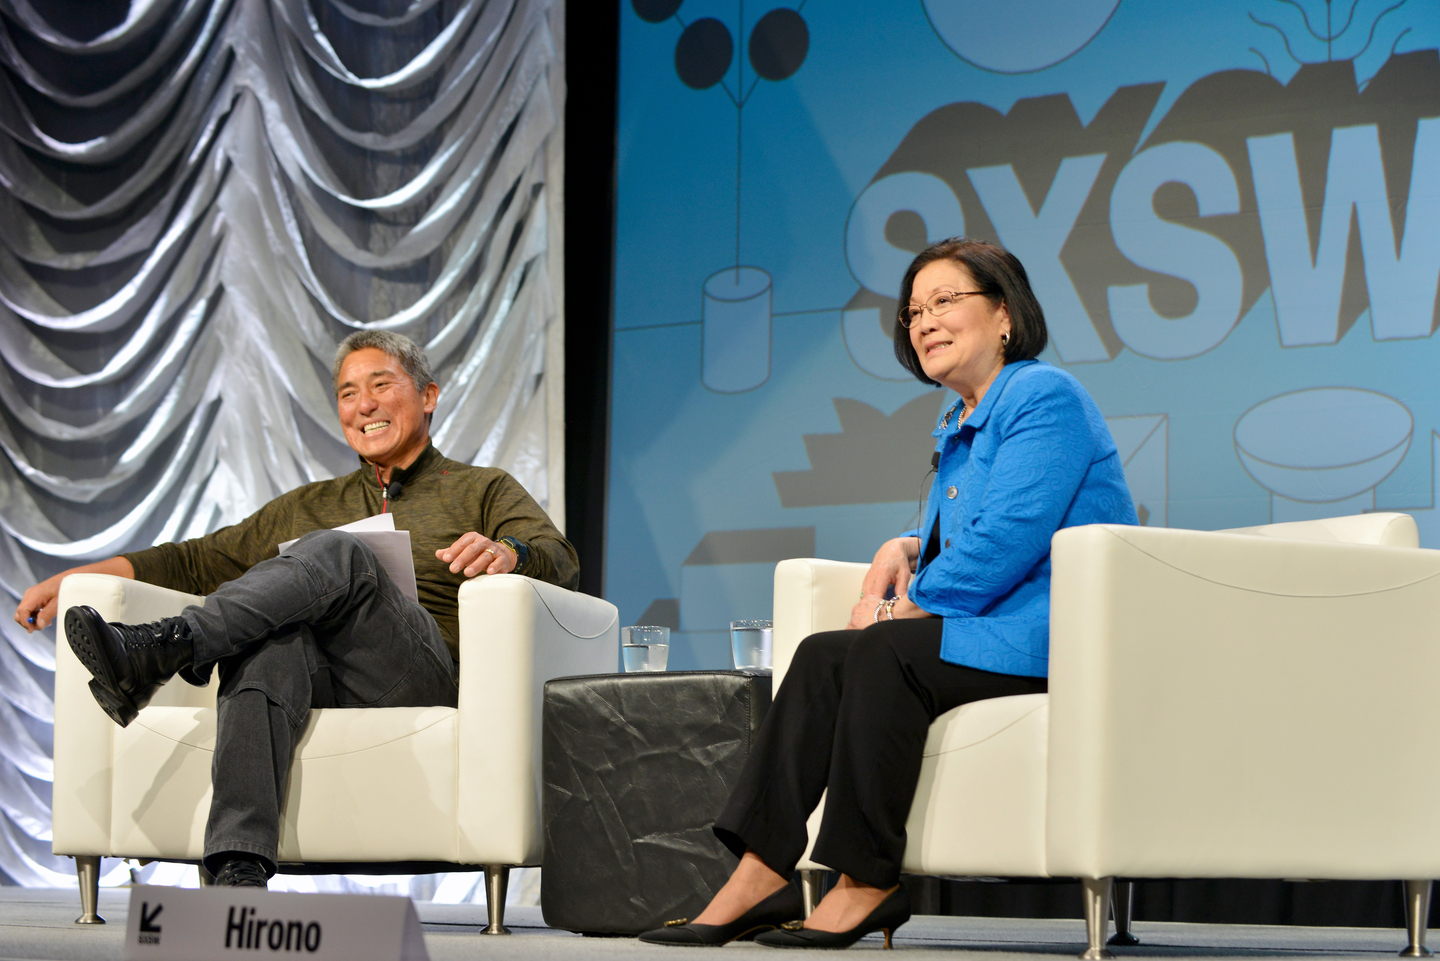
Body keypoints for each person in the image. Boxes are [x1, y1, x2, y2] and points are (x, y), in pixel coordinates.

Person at [640, 239, 1137, 949]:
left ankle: (868, 878)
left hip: (1050, 635)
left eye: (944, 302)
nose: (924, 321)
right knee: (820, 657)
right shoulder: (960, 420)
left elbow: (1004, 540)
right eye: (913, 311)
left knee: (883, 650)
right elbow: (968, 529)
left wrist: (900, 606)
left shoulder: (1041, 394)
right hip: (986, 633)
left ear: (1004, 313)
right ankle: (759, 870)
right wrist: (902, 545)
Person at [13, 331, 578, 888]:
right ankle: (238, 864)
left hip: (418, 676)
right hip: (323, 681)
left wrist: (509, 551)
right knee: (267, 641)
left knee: (342, 550)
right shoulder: (310, 504)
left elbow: (561, 559)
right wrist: (72, 580)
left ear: (428, 396)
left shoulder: (480, 488)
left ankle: (166, 649)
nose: (365, 405)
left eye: (381, 385)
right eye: (348, 393)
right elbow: (193, 561)